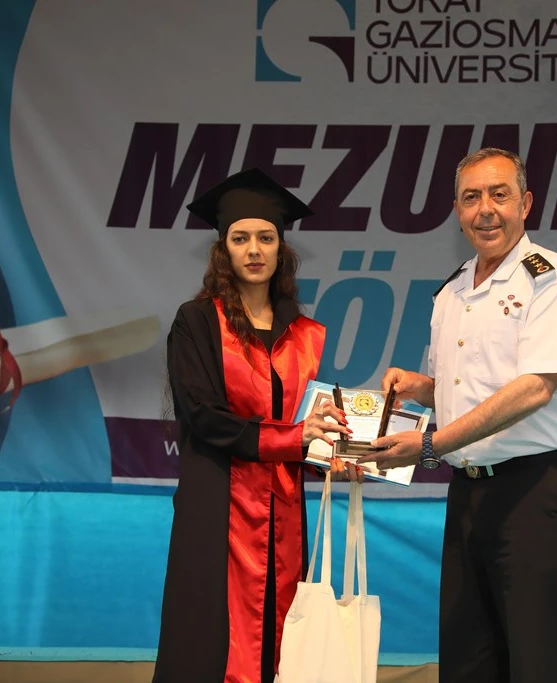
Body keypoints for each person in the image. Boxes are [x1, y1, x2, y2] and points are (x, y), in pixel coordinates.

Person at [359, 148, 557, 683]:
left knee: (538, 665)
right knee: (468, 663)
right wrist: (422, 390)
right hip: (471, 493)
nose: (485, 210)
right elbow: (468, 392)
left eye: (499, 194)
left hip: (540, 491)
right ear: (457, 209)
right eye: (471, 198)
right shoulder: (452, 291)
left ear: (526, 204)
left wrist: (431, 444)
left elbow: (534, 388)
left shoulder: (551, 279)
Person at [153, 168, 360, 683]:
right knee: (209, 643)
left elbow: (304, 425)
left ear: (281, 249)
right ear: (222, 250)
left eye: (265, 238)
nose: (253, 250)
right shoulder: (197, 322)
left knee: (283, 637)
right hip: (216, 506)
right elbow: (203, 416)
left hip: (283, 510)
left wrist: (333, 458)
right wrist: (294, 438)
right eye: (240, 238)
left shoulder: (304, 334)